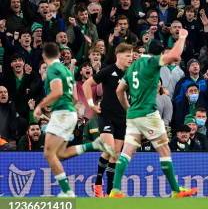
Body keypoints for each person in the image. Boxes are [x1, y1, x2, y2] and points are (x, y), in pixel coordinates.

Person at [108, 29, 197, 198]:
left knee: (126, 152)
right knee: (164, 150)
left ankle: (116, 189)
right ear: (160, 53)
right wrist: (183, 36)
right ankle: (176, 191)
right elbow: (176, 55)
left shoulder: (133, 65)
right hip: (148, 114)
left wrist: (128, 108)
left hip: (133, 115)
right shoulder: (152, 62)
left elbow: (119, 90)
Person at [33, 42, 114, 198]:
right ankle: (94, 145)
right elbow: (75, 97)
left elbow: (57, 92)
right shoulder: (66, 70)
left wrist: (40, 106)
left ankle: (67, 191)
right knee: (60, 154)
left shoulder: (52, 69)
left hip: (62, 113)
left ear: (44, 56)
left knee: (49, 154)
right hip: (70, 112)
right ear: (58, 54)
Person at [82, 42, 134, 197]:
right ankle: (98, 183)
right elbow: (87, 85)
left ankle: (112, 191)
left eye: (132, 55)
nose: (131, 58)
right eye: (127, 55)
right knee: (110, 148)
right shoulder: (108, 71)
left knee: (115, 154)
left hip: (123, 119)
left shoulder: (131, 74)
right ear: (118, 56)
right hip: (106, 116)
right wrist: (91, 104)